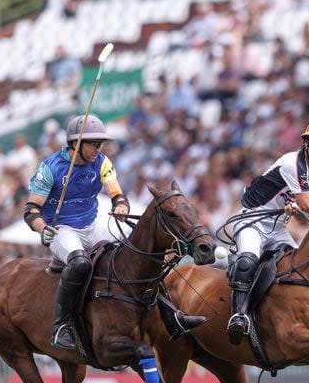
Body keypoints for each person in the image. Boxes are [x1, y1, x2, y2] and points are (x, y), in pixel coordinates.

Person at [25, 115, 203, 349]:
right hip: (62, 229)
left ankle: (170, 314)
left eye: (101, 144)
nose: (99, 149)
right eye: (94, 144)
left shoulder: (102, 162)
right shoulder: (50, 168)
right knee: (79, 264)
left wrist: (120, 206)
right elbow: (31, 210)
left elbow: (117, 194)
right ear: (75, 144)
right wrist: (43, 229)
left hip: (93, 225)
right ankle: (62, 325)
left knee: (139, 254)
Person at [226, 117, 309, 345]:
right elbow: (308, 205)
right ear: (307, 144)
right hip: (252, 220)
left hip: (277, 226)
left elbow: (304, 209)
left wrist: (296, 208)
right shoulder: (292, 163)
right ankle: (238, 315)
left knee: (298, 267)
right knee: (248, 261)